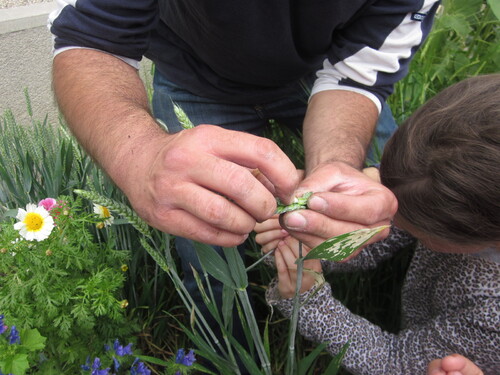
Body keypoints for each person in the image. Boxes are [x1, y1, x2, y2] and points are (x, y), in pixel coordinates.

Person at [48, 1, 438, 371]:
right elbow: (91, 38)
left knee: (403, 194)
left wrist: (334, 172)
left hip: (330, 70)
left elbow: (357, 75)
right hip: (194, 75)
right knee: (210, 259)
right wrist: (141, 157)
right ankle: (228, 360)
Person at [257, 75, 500, 374]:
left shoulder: (493, 320)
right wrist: (317, 242)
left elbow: (393, 361)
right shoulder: (461, 196)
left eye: (409, 227)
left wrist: (308, 297)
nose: (389, 215)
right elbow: (383, 235)